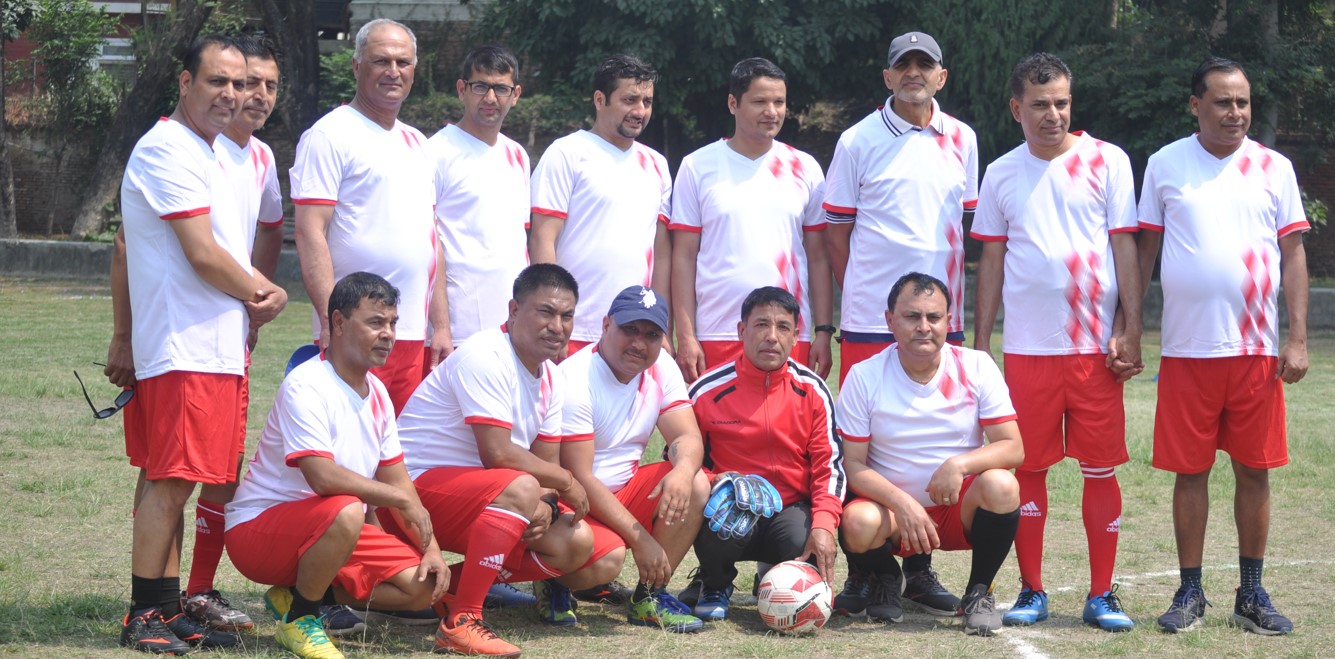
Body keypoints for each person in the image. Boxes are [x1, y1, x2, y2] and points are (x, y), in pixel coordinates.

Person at [103, 34, 290, 638]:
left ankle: (167, 604)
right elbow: (204, 254)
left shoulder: (210, 152)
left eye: (239, 83)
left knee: (177, 481)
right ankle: (144, 614)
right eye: (217, 81)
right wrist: (265, 291)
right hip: (185, 344)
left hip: (211, 345)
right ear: (186, 83)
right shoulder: (168, 148)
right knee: (171, 480)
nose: (231, 94)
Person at [970, 53, 1142, 632]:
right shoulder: (1000, 173)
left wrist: (1131, 326)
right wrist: (981, 344)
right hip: (1027, 351)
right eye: (1040, 104)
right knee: (1029, 471)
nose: (1053, 114)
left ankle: (1102, 594)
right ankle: (1033, 589)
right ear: (1016, 108)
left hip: (1095, 351)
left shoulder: (1108, 161)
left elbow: (1123, 246)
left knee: (1100, 469)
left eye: (1062, 102)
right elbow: (991, 263)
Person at [1138, 56, 1309, 636]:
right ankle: (1190, 590)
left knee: (1254, 471)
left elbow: (1292, 256)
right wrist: (1130, 326)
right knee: (1190, 473)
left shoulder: (1274, 167)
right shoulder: (1165, 164)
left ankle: (1251, 592)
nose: (1235, 112)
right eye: (1222, 101)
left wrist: (1297, 338)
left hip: (1256, 351)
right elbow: (1145, 251)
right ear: (1196, 105)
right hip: (1187, 351)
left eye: (1243, 102)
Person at [821, 30, 975, 616]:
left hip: (940, 323)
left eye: (924, 64)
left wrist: (944, 316)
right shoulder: (857, 139)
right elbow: (837, 233)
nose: (914, 73)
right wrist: (862, 298)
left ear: (941, 76)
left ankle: (919, 569)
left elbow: (964, 225)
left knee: (931, 438)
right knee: (867, 443)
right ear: (887, 77)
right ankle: (870, 571)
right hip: (870, 321)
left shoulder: (964, 138)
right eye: (903, 65)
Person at [224, 272, 450, 659]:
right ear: (340, 324)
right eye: (375, 322)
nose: (388, 334)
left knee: (424, 587)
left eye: (393, 323)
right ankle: (301, 620)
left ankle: (298, 595)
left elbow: (399, 480)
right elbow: (322, 477)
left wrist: (433, 550)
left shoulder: (378, 392)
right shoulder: (307, 384)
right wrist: (397, 499)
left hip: (332, 530)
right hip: (258, 532)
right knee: (347, 509)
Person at [392, 264, 598, 656]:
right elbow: (498, 453)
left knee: (578, 543)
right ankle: (463, 621)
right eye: (546, 312)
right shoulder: (486, 354)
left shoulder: (551, 377)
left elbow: (544, 464)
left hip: (479, 496)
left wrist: (548, 501)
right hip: (409, 496)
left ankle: (443, 589)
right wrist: (566, 482)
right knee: (519, 487)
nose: (557, 326)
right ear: (514, 310)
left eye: (567, 316)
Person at [839, 273, 1023, 635]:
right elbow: (853, 464)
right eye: (912, 316)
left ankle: (979, 593)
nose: (924, 327)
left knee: (1002, 485)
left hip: (957, 510)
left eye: (934, 317)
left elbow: (1013, 447)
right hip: (893, 516)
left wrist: (959, 464)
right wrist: (902, 503)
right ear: (890, 320)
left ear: (948, 321)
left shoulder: (976, 366)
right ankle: (888, 577)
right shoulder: (865, 375)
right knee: (857, 523)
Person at [291, 18, 448, 414]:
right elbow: (310, 232)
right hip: (356, 330)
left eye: (403, 62)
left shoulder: (418, 143)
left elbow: (431, 241)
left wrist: (442, 326)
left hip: (411, 334)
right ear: (357, 65)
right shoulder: (329, 135)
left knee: (400, 443)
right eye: (381, 61)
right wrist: (332, 321)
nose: (393, 71)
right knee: (350, 438)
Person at [677, 286, 845, 622]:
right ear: (742, 330)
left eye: (783, 327)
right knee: (720, 513)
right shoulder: (707, 390)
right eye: (761, 325)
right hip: (732, 507)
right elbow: (677, 456)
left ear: (795, 336)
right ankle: (714, 582)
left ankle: (774, 576)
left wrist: (825, 526)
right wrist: (714, 480)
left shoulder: (812, 390)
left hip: (790, 509)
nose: (772, 336)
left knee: (803, 537)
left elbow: (829, 466)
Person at [556, 285, 710, 633]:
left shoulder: (662, 366)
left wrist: (684, 470)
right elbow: (579, 476)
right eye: (630, 329)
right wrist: (641, 540)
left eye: (651, 335)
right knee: (606, 562)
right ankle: (551, 582)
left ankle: (649, 598)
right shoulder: (576, 377)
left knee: (696, 482)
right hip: (574, 502)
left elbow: (687, 437)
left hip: (623, 491)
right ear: (605, 325)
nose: (639, 343)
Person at [670, 57, 833, 382]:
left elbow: (818, 256)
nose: (771, 111)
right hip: (717, 332)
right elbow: (684, 256)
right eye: (759, 102)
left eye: (779, 102)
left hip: (787, 332)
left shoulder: (805, 168)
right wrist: (686, 336)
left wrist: (824, 331)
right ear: (733, 103)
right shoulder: (697, 166)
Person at [529, 54, 672, 356]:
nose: (640, 111)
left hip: (634, 331)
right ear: (599, 99)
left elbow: (661, 253)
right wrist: (555, 322)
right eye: (630, 100)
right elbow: (543, 238)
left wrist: (659, 324)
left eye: (647, 102)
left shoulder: (657, 164)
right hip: (573, 330)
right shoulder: (567, 153)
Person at [427, 45, 530, 348]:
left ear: (516, 94)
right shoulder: (435, 152)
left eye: (501, 88)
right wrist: (441, 327)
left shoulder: (518, 155)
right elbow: (428, 245)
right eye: (480, 86)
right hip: (459, 327)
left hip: (512, 325)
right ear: (462, 90)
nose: (490, 98)